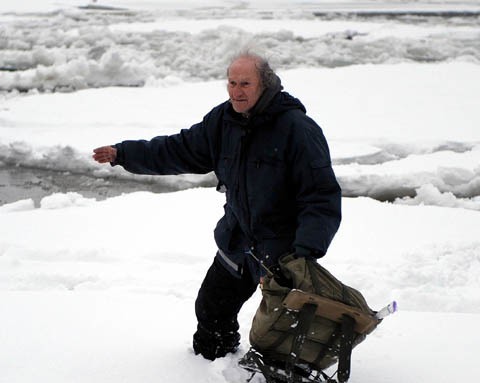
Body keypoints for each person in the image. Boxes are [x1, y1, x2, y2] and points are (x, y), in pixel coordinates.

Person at [92, 52, 341, 361]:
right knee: (211, 310)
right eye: (232, 83)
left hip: (282, 250)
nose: (237, 91)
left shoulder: (297, 129)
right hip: (238, 239)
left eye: (246, 84)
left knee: (283, 333)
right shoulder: (223, 122)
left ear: (265, 84)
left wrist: (304, 254)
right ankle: (214, 368)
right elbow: (178, 149)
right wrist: (124, 154)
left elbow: (320, 195)